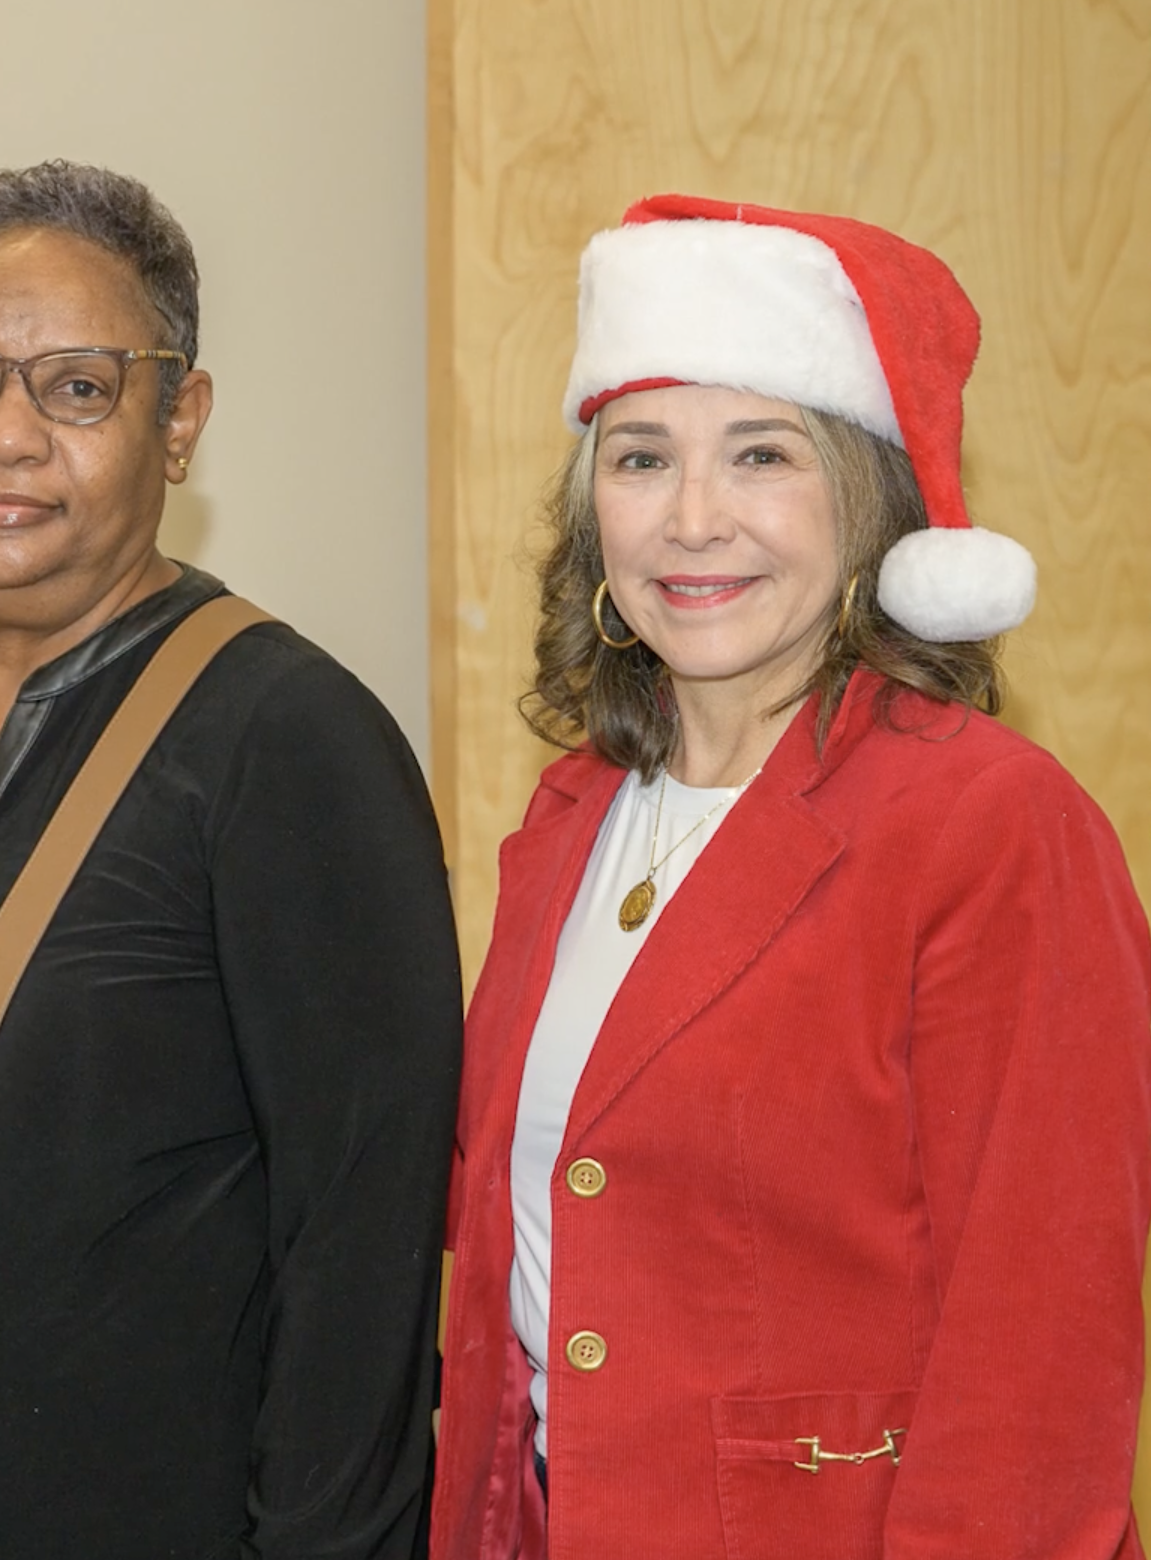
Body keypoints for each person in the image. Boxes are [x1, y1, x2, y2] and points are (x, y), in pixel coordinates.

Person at [0, 161, 463, 1560]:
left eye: (75, 388)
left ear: (178, 419)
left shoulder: (284, 741)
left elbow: (360, 1259)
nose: (5, 438)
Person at [430, 196, 1151, 1560]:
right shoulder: (573, 813)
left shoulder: (988, 822)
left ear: (867, 500)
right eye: (640, 459)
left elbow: (1040, 1340)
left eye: (760, 455)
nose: (692, 519)